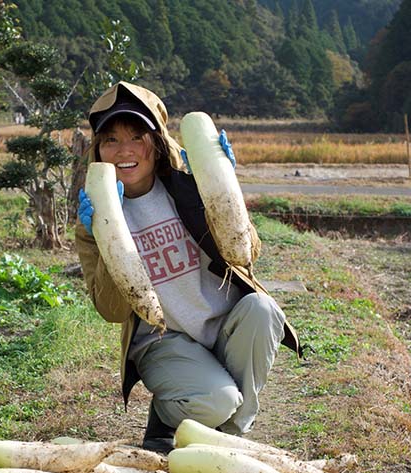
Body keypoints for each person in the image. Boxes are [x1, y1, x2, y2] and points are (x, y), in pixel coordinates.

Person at [75, 81, 301, 453]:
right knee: (218, 400)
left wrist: (223, 187)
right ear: (98, 150)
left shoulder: (189, 189)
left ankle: (229, 439)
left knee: (263, 310)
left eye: (137, 137)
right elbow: (111, 311)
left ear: (158, 141)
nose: (124, 151)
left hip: (223, 323)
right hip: (163, 341)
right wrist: (103, 236)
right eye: (110, 140)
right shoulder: (95, 220)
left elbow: (247, 253)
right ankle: (167, 415)